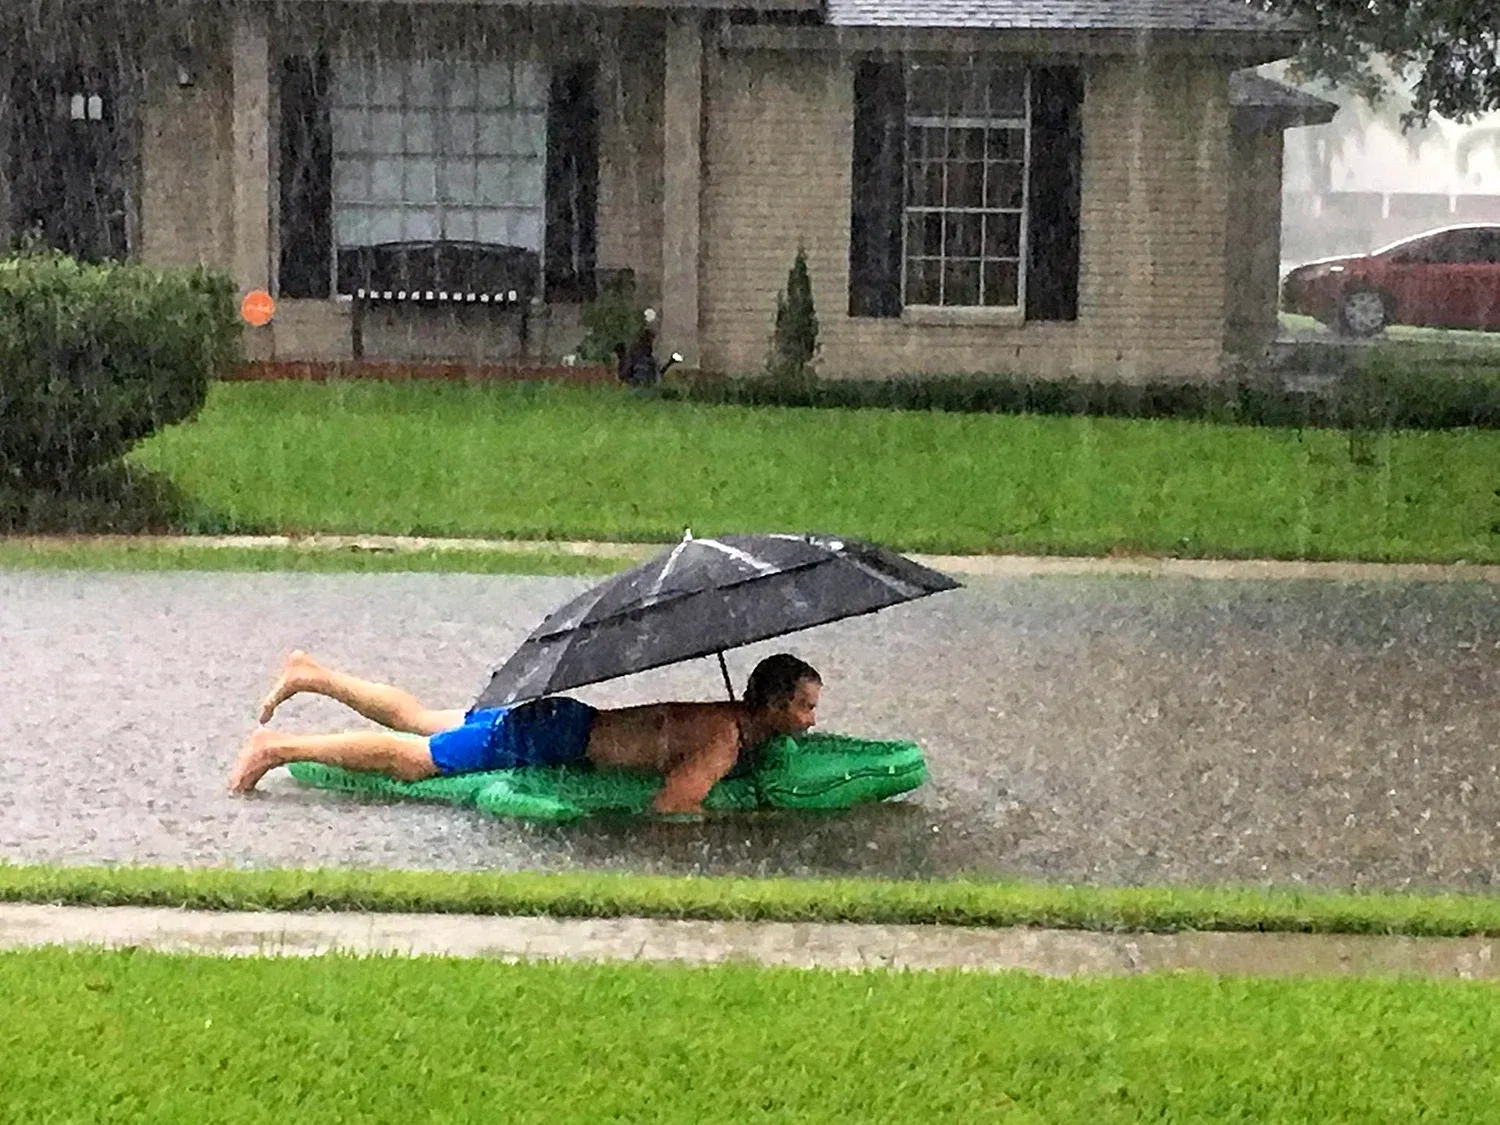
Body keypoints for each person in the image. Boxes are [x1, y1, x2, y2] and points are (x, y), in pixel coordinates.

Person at [228, 651, 822, 816]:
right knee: (415, 758)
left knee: (421, 718)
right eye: (804, 709)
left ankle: (314, 674)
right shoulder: (724, 738)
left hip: (561, 719)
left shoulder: (733, 724)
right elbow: (672, 805)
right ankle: (277, 748)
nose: (812, 722)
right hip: (551, 739)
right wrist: (745, 820)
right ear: (770, 704)